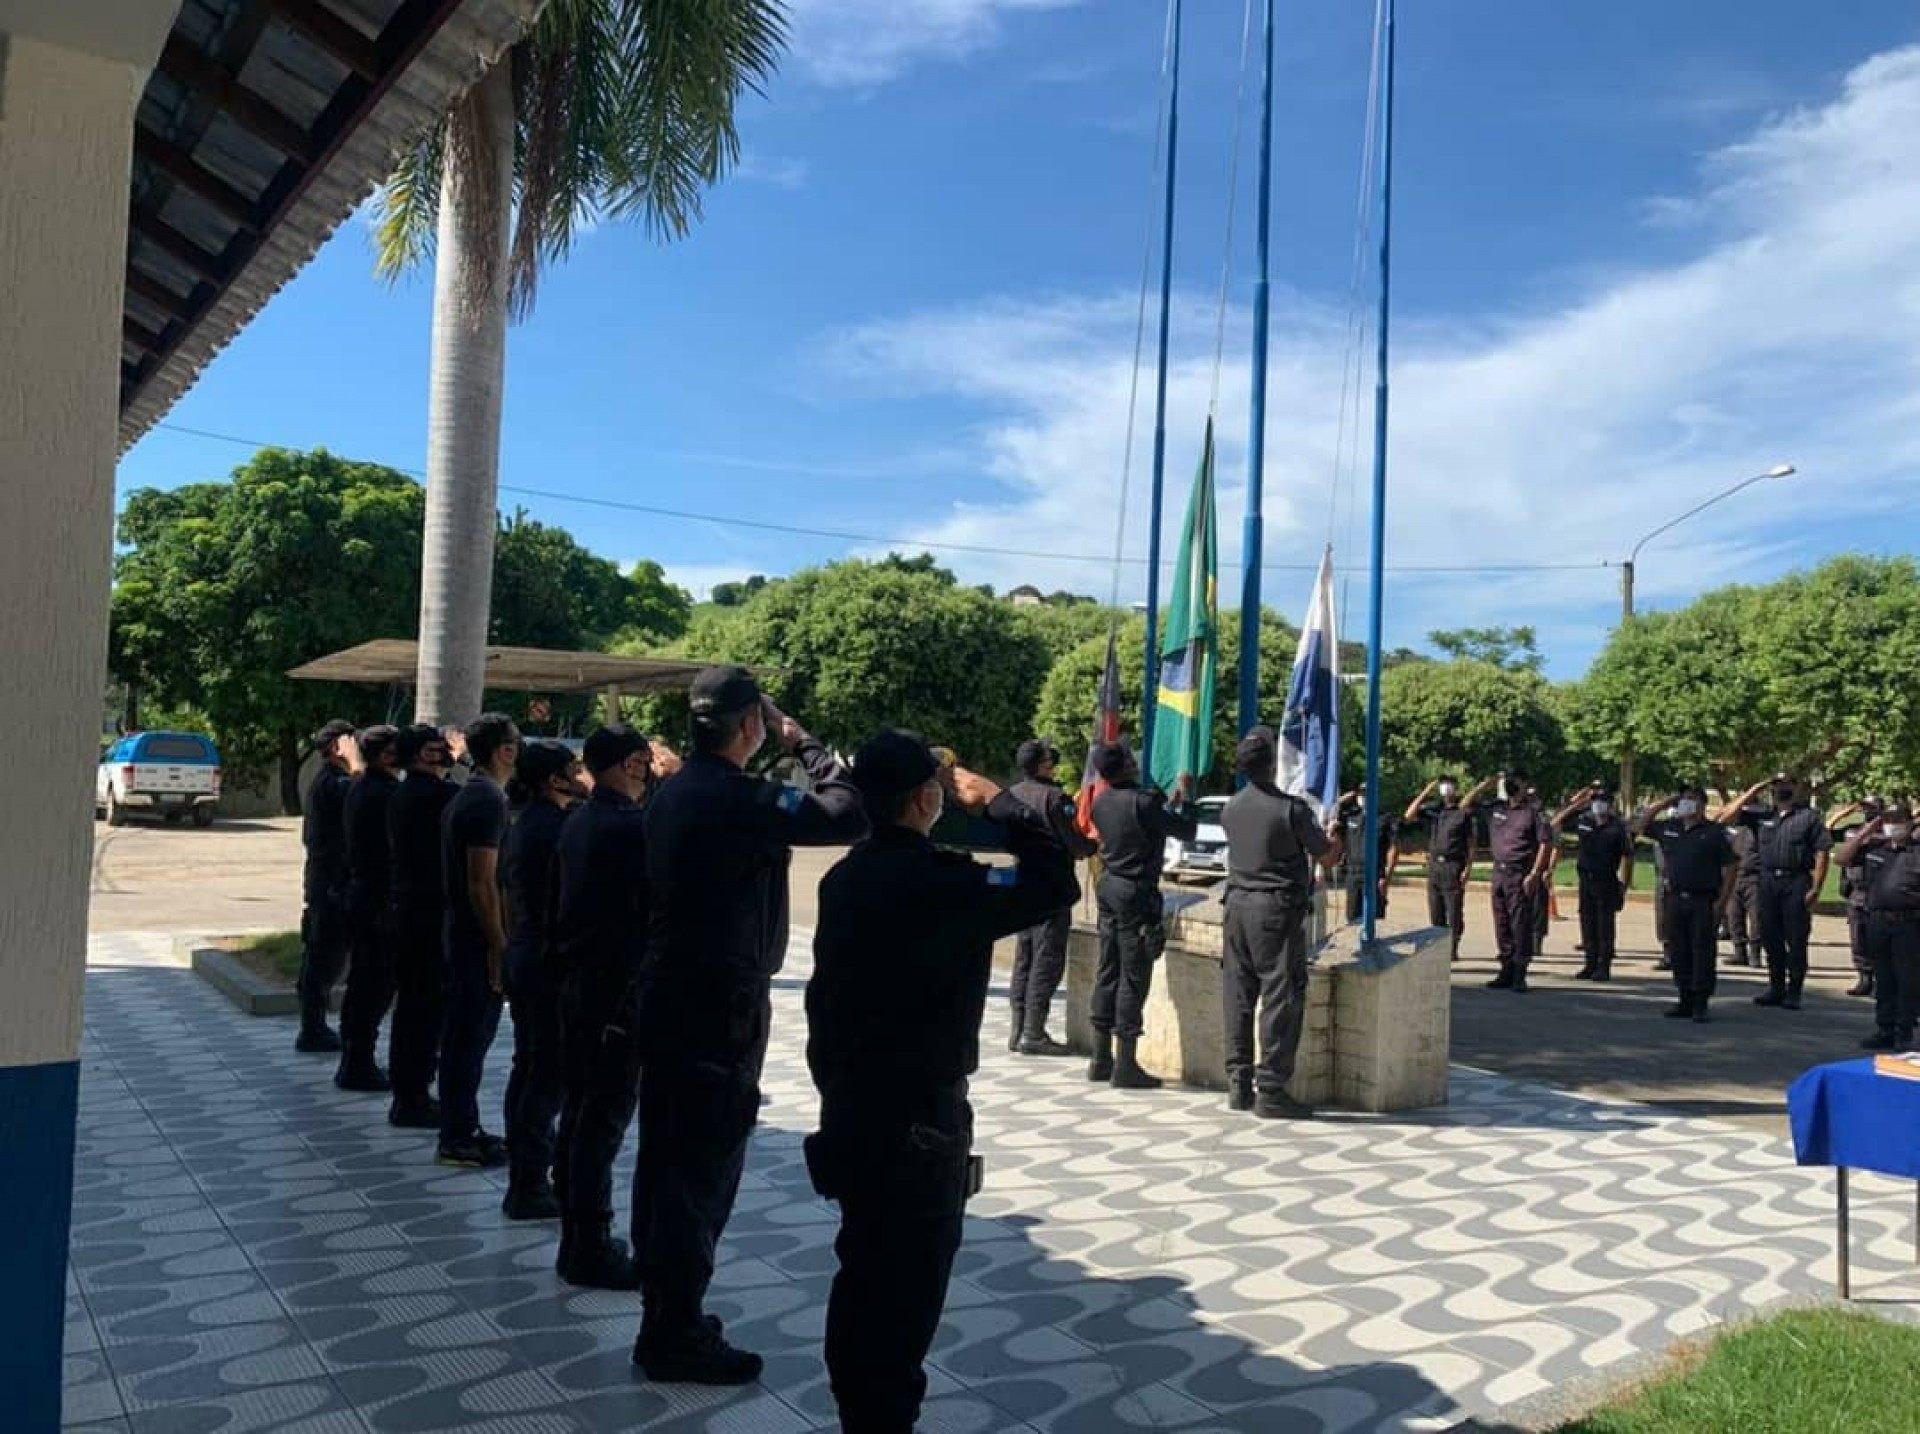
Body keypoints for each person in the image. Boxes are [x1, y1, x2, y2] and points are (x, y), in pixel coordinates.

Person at [806, 731, 1078, 1434]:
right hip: (919, 1115)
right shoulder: (945, 881)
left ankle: (858, 1412)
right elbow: (1055, 882)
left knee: (862, 1268)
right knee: (909, 1284)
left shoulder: (844, 879)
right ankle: (884, 1419)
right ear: (928, 799)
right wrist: (1003, 805)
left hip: (852, 1102)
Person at [631, 668, 867, 1384]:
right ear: (751, 727)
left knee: (669, 1162)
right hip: (715, 1005)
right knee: (701, 1168)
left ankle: (668, 1313)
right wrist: (809, 745)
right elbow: (847, 814)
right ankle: (672, 1334)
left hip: (675, 994)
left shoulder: (676, 791)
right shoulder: (735, 797)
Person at [549, 725, 674, 1287]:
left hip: (579, 985)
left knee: (580, 1114)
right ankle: (588, 1245)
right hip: (613, 994)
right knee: (600, 1121)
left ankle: (579, 1236)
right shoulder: (627, 828)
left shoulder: (579, 820)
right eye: (645, 762)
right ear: (629, 765)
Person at [1221, 729, 1343, 1119]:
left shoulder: (1230, 808)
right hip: (1274, 912)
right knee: (1280, 996)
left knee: (1238, 996)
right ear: (1272, 765)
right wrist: (1336, 838)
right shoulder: (1290, 809)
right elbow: (1326, 857)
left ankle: (1238, 1084)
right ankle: (1271, 1089)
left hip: (1236, 907)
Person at [499, 740, 585, 1223]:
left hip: (525, 952)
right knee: (545, 1074)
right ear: (554, 780)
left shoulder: (526, 821)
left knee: (529, 1066)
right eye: (573, 769)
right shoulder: (555, 827)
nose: (580, 776)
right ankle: (529, 1181)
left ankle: (525, 1172)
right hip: (547, 962)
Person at [1087, 743, 1198, 1091]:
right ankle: (1125, 1063)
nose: (1136, 762)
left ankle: (1100, 1056)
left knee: (1108, 967)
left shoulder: (1101, 800)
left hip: (1109, 885)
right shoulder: (1143, 801)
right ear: (1121, 768)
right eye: (1131, 760)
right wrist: (1188, 799)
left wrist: (1166, 804)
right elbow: (1185, 830)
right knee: (1133, 974)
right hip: (1136, 890)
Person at [436, 712, 521, 1167]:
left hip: (465, 932)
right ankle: (455, 1136)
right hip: (474, 937)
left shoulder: (476, 795)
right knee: (468, 1038)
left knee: (467, 1037)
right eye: (514, 743)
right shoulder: (486, 801)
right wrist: (498, 944)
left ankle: (463, 1124)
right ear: (503, 750)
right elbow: (481, 882)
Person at [386, 724, 458, 1128]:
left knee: (413, 1008)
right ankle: (413, 1096)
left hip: (410, 909)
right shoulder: (433, 795)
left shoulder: (403, 793)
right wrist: (467, 759)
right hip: (428, 914)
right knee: (425, 1010)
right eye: (437, 749)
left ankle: (408, 1093)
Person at [1006, 738, 1097, 1056]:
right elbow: (1074, 842)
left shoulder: (1013, 795)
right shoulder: (1055, 798)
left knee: (1025, 957)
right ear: (1043, 764)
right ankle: (1033, 1032)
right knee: (1046, 959)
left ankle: (1018, 1028)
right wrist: (1092, 846)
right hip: (1051, 888)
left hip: (1022, 884)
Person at [1721, 773, 1832, 1011]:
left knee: (1796, 938)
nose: (1783, 788)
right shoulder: (1761, 816)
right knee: (1770, 937)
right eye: (1778, 784)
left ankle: (1794, 991)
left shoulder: (1808, 817)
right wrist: (1755, 788)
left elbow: (1822, 852)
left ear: (1796, 786)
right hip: (1767, 881)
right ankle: (1776, 987)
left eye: (1788, 783)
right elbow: (1725, 817)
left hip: (1796, 880)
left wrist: (1816, 887)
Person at [1636, 787, 1738, 1023]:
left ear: (1702, 805)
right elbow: (1639, 825)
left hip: (1702, 899)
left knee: (1701, 951)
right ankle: (1684, 998)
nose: (1686, 803)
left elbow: (1731, 866)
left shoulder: (1714, 832)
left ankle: (1700, 1002)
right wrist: (1664, 802)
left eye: (1691, 799)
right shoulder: (1670, 828)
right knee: (1678, 950)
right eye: (1684, 800)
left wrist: (1722, 902)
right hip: (1674, 898)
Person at [336, 725, 401, 1090]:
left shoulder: (362, 786)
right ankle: (358, 1062)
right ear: (386, 756)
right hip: (377, 900)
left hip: (361, 895)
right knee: (373, 985)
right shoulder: (385, 792)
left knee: (363, 983)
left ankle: (354, 1058)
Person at [294, 719, 360, 1053]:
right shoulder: (334, 784)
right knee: (325, 956)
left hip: (329, 880)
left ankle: (314, 1024)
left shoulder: (331, 780)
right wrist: (357, 765)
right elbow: (363, 798)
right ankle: (312, 1027)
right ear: (337, 749)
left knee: (325, 955)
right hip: (330, 884)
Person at [1840, 804, 1920, 1050]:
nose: (1893, 825)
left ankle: (1903, 1031)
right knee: (1883, 978)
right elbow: (1841, 858)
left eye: (1899, 820)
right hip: (1877, 921)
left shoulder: (1916, 852)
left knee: (1907, 980)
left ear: (1909, 823)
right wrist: (1868, 829)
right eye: (1889, 820)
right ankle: (1884, 1028)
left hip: (1909, 923)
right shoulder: (1875, 848)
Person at [1552, 783, 1634, 982]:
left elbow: (1628, 856)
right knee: (1587, 922)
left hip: (1606, 880)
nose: (1599, 804)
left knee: (1604, 925)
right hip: (1585, 879)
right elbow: (1555, 823)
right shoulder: (1584, 821)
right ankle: (1589, 963)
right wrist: (1578, 803)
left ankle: (1603, 966)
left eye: (1603, 800)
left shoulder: (1617, 827)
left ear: (1610, 804)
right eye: (1595, 800)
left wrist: (1625, 883)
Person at [1402, 775, 1490, 960]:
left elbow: (1471, 844)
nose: (1446, 788)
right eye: (1443, 785)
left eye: (1449, 784)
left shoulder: (1463, 813)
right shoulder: (1435, 812)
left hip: (1453, 865)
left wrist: (1468, 868)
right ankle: (1438, 946)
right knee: (1436, 908)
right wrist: (1426, 792)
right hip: (1435, 865)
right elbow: (1408, 816)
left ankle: (1453, 946)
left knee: (1454, 909)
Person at [1484, 771, 1555, 992]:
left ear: (1526, 786)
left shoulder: (1533, 812)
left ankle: (1519, 971)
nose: (1513, 786)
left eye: (1518, 782)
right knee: (1501, 922)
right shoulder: (1497, 809)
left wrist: (1535, 873)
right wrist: (1489, 782)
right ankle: (1505, 968)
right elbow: (1465, 805)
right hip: (1499, 873)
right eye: (1510, 782)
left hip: (1520, 873)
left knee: (1519, 923)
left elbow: (1545, 842)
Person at [1829, 798, 1883, 998]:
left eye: (1872, 808)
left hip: (1877, 891)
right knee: (1858, 938)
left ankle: (1880, 980)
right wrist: (1845, 812)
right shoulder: (1852, 829)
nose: (1868, 811)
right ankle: (1864, 978)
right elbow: (1828, 830)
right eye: (1865, 808)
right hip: (1856, 891)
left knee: (1877, 939)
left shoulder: (1886, 831)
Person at [1335, 788, 1397, 925]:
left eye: (1367, 794)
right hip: (1353, 873)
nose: (1363, 797)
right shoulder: (1350, 816)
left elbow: (1393, 849)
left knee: (1375, 919)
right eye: (1361, 794)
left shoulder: (1385, 818)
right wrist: (1347, 796)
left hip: (1374, 873)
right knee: (1352, 917)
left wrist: (1387, 876)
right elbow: (1331, 810)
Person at [1720, 810, 1763, 968]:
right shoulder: (1730, 827)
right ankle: (1739, 952)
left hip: (1754, 876)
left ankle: (1755, 954)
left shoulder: (1758, 826)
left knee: (1756, 916)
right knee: (1733, 915)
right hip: (1734, 876)